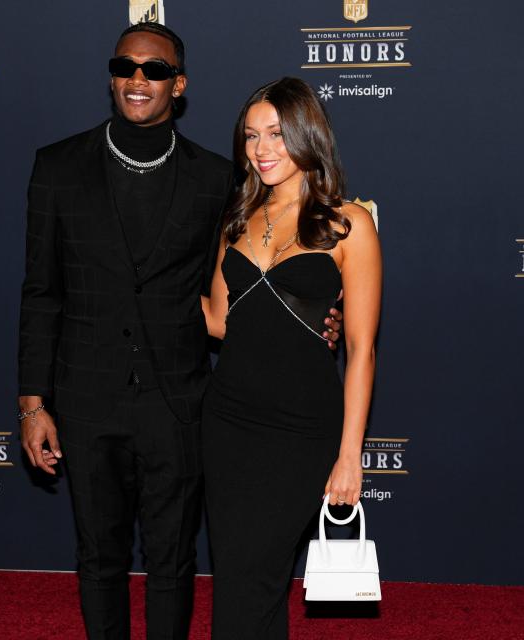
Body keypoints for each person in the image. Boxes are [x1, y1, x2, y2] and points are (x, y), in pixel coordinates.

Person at [16, 25, 341, 640]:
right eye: (126, 67)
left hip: (183, 402)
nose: (139, 80)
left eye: (155, 70)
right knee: (99, 559)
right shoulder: (56, 168)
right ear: (112, 75)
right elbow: (40, 292)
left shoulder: (217, 180)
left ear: (179, 84)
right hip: (86, 400)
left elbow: (255, 277)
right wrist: (33, 403)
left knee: (174, 562)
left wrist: (318, 312)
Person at [201, 77, 382, 639]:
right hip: (228, 423)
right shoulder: (237, 218)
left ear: (307, 135)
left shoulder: (350, 224)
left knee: (257, 573)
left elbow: (361, 350)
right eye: (252, 136)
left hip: (302, 432)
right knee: (239, 578)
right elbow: (217, 321)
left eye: (277, 134)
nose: (262, 149)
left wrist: (350, 455)